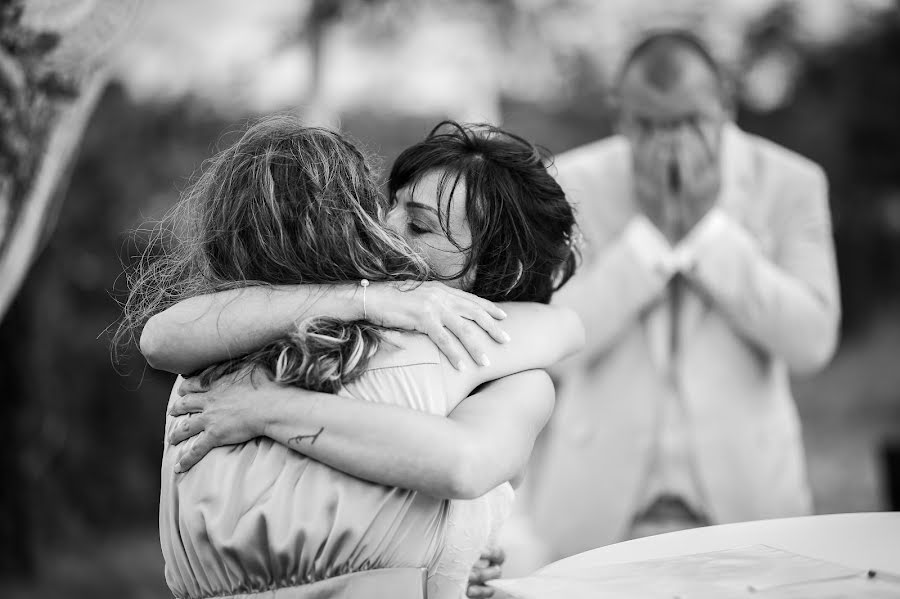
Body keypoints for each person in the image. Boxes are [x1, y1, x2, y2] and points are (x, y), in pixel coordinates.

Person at [122, 116, 583, 599]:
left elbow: (464, 465)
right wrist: (361, 298)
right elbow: (160, 338)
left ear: (500, 270)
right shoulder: (315, 313)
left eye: (421, 225)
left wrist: (266, 408)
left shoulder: (516, 379)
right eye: (392, 206)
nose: (386, 227)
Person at [515, 29, 840, 563]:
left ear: (725, 109)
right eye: (648, 125)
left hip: (748, 501)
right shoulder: (570, 184)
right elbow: (553, 344)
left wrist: (708, 235)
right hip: (597, 508)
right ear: (620, 116)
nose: (670, 143)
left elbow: (813, 342)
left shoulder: (790, 182)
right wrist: (650, 243)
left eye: (690, 122)